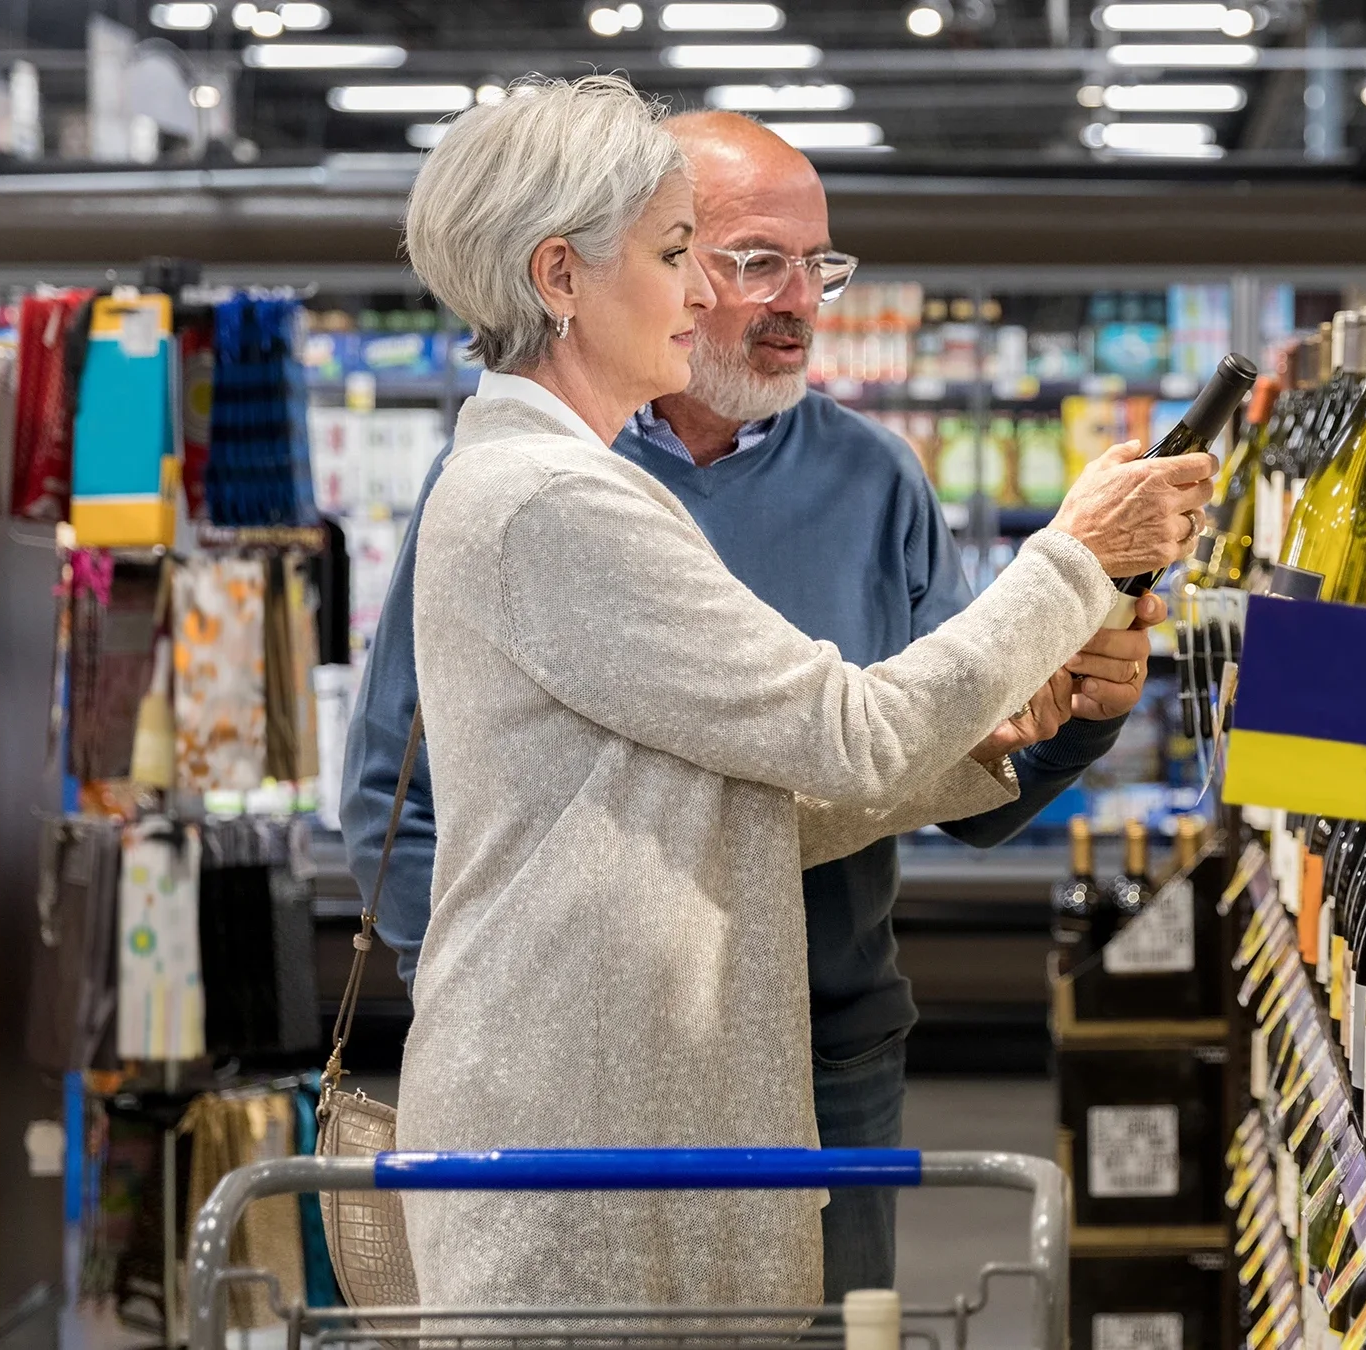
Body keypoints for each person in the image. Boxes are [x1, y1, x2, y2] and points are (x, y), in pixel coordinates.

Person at [386, 75, 1212, 1307]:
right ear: (561, 277)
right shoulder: (555, 501)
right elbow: (844, 734)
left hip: (664, 1084)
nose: (702, 295)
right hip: (591, 1107)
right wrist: (1071, 558)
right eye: (679, 254)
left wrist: (1000, 737)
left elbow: (725, 809)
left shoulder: (573, 480)